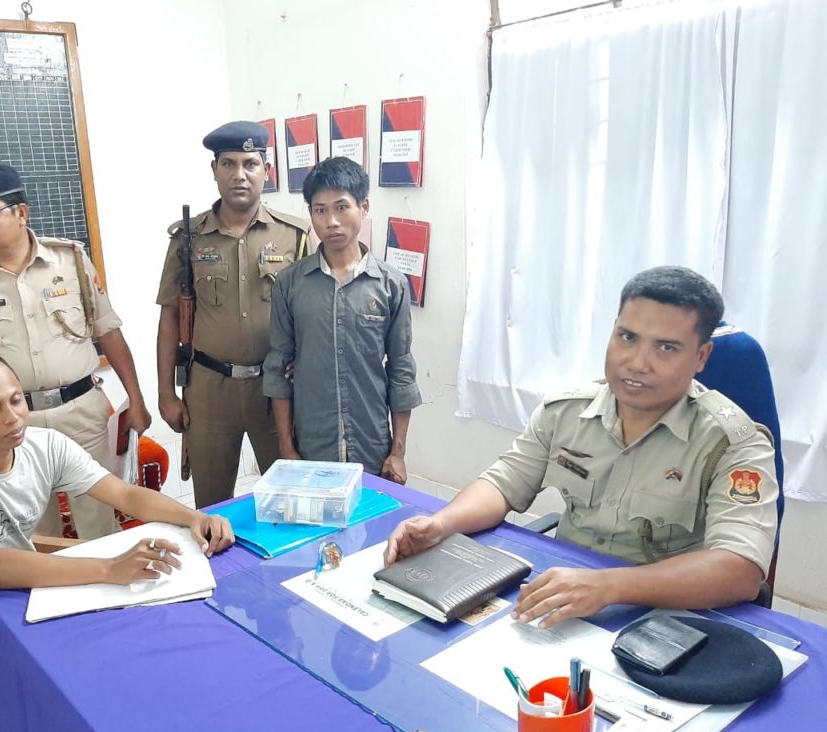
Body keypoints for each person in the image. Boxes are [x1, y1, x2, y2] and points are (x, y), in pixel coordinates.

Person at [385, 266, 778, 627]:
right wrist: (441, 524)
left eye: (666, 348)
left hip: (665, 620)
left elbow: (740, 570)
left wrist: (608, 587)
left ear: (701, 356)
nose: (638, 362)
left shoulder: (734, 444)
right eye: (627, 337)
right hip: (563, 600)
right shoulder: (567, 411)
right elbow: (503, 484)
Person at [0, 350, 233, 687]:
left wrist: (193, 518)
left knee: (137, 642)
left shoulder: (45, 446)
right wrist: (108, 569)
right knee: (76, 678)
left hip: (25, 593)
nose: (13, 418)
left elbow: (124, 495)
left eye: (17, 400)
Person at [0, 164, 150, 540]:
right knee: (34, 530)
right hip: (13, 421)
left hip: (81, 410)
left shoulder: (70, 261)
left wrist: (136, 399)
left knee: (98, 521)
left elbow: (108, 331)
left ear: (21, 213)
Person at [156, 121, 310, 508]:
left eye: (250, 164)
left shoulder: (295, 236)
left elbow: (313, 315)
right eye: (228, 164)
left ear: (266, 171)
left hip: (275, 390)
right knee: (211, 505)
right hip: (209, 389)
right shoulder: (188, 238)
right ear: (214, 170)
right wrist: (165, 394)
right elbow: (170, 318)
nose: (239, 175)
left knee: (288, 499)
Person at [263, 157, 421, 481]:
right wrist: (286, 448)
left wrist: (398, 452)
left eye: (341, 207)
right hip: (311, 445)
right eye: (320, 210)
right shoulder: (290, 284)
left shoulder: (390, 284)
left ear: (363, 207)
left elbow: (401, 369)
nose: (331, 221)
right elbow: (278, 367)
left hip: (372, 446)